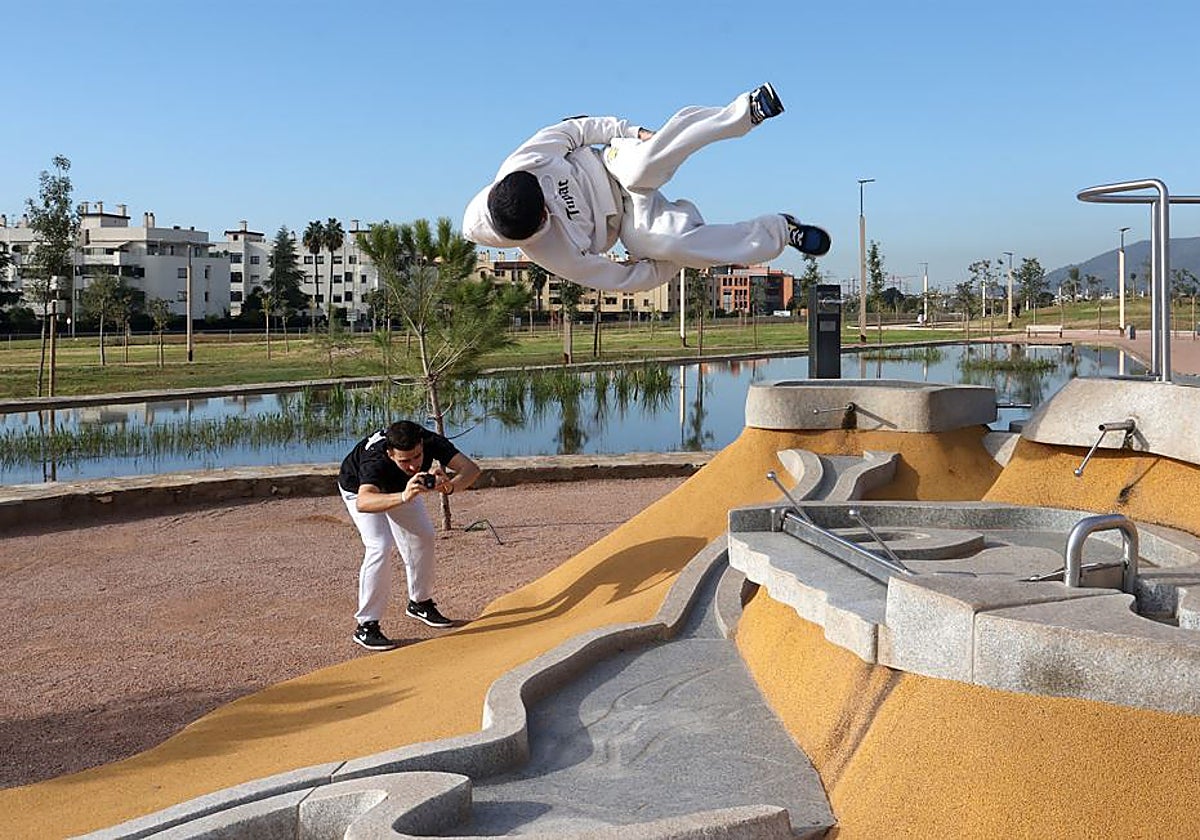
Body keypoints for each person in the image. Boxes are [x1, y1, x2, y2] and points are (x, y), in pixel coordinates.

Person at [463, 83, 830, 293]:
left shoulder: (522, 162)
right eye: (546, 215)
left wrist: (634, 132)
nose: (551, 208)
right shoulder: (548, 252)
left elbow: (578, 130)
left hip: (612, 164)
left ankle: (746, 110)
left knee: (643, 163)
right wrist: (676, 260)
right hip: (627, 223)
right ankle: (783, 229)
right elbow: (619, 279)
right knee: (669, 242)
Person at [337, 420, 481, 650]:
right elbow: (364, 502)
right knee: (380, 545)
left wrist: (449, 486)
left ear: (422, 445)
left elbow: (471, 469)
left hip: (401, 488)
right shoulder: (374, 460)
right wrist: (404, 496)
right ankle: (366, 625)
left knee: (423, 536)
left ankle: (419, 602)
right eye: (404, 460)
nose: (414, 466)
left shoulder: (430, 441)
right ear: (389, 453)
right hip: (360, 491)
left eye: (417, 457)